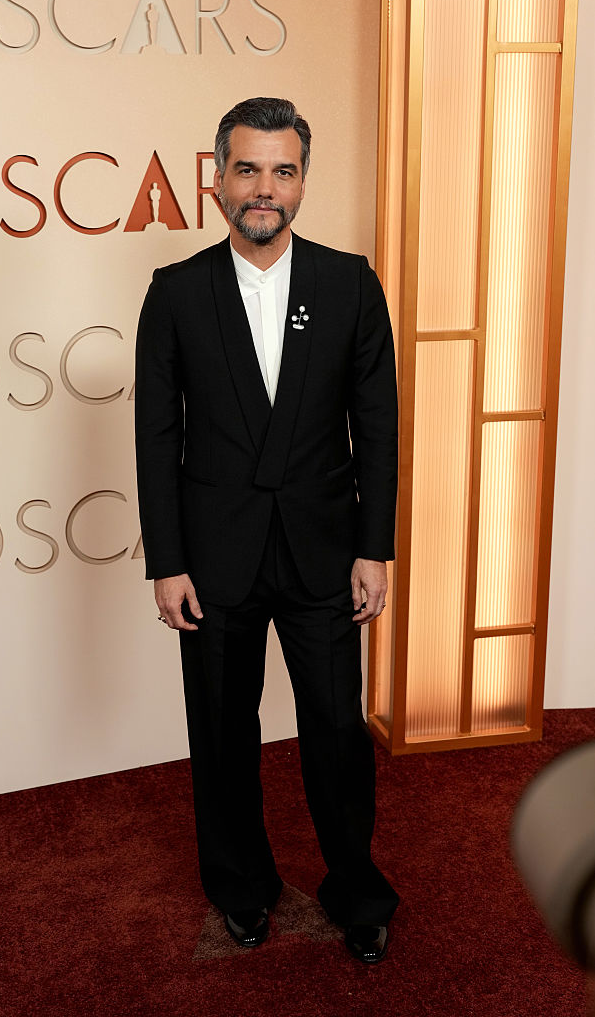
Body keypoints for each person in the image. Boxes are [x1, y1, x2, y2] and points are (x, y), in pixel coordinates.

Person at [135, 97, 399, 963]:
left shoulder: (350, 282)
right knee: (220, 731)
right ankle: (241, 888)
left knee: (334, 732)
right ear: (216, 180)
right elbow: (157, 436)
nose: (264, 188)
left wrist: (374, 547)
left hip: (326, 552)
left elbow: (378, 425)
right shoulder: (174, 293)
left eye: (282, 170)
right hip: (212, 559)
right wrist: (166, 563)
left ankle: (353, 888)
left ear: (301, 182)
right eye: (246, 168)